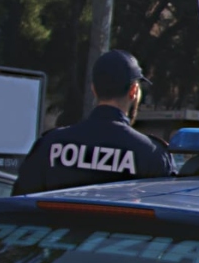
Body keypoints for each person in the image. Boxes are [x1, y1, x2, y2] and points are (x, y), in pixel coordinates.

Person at [13, 50, 172, 195]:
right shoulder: (152, 155)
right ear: (133, 91)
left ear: (94, 89)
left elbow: (20, 206)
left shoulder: (49, 145)